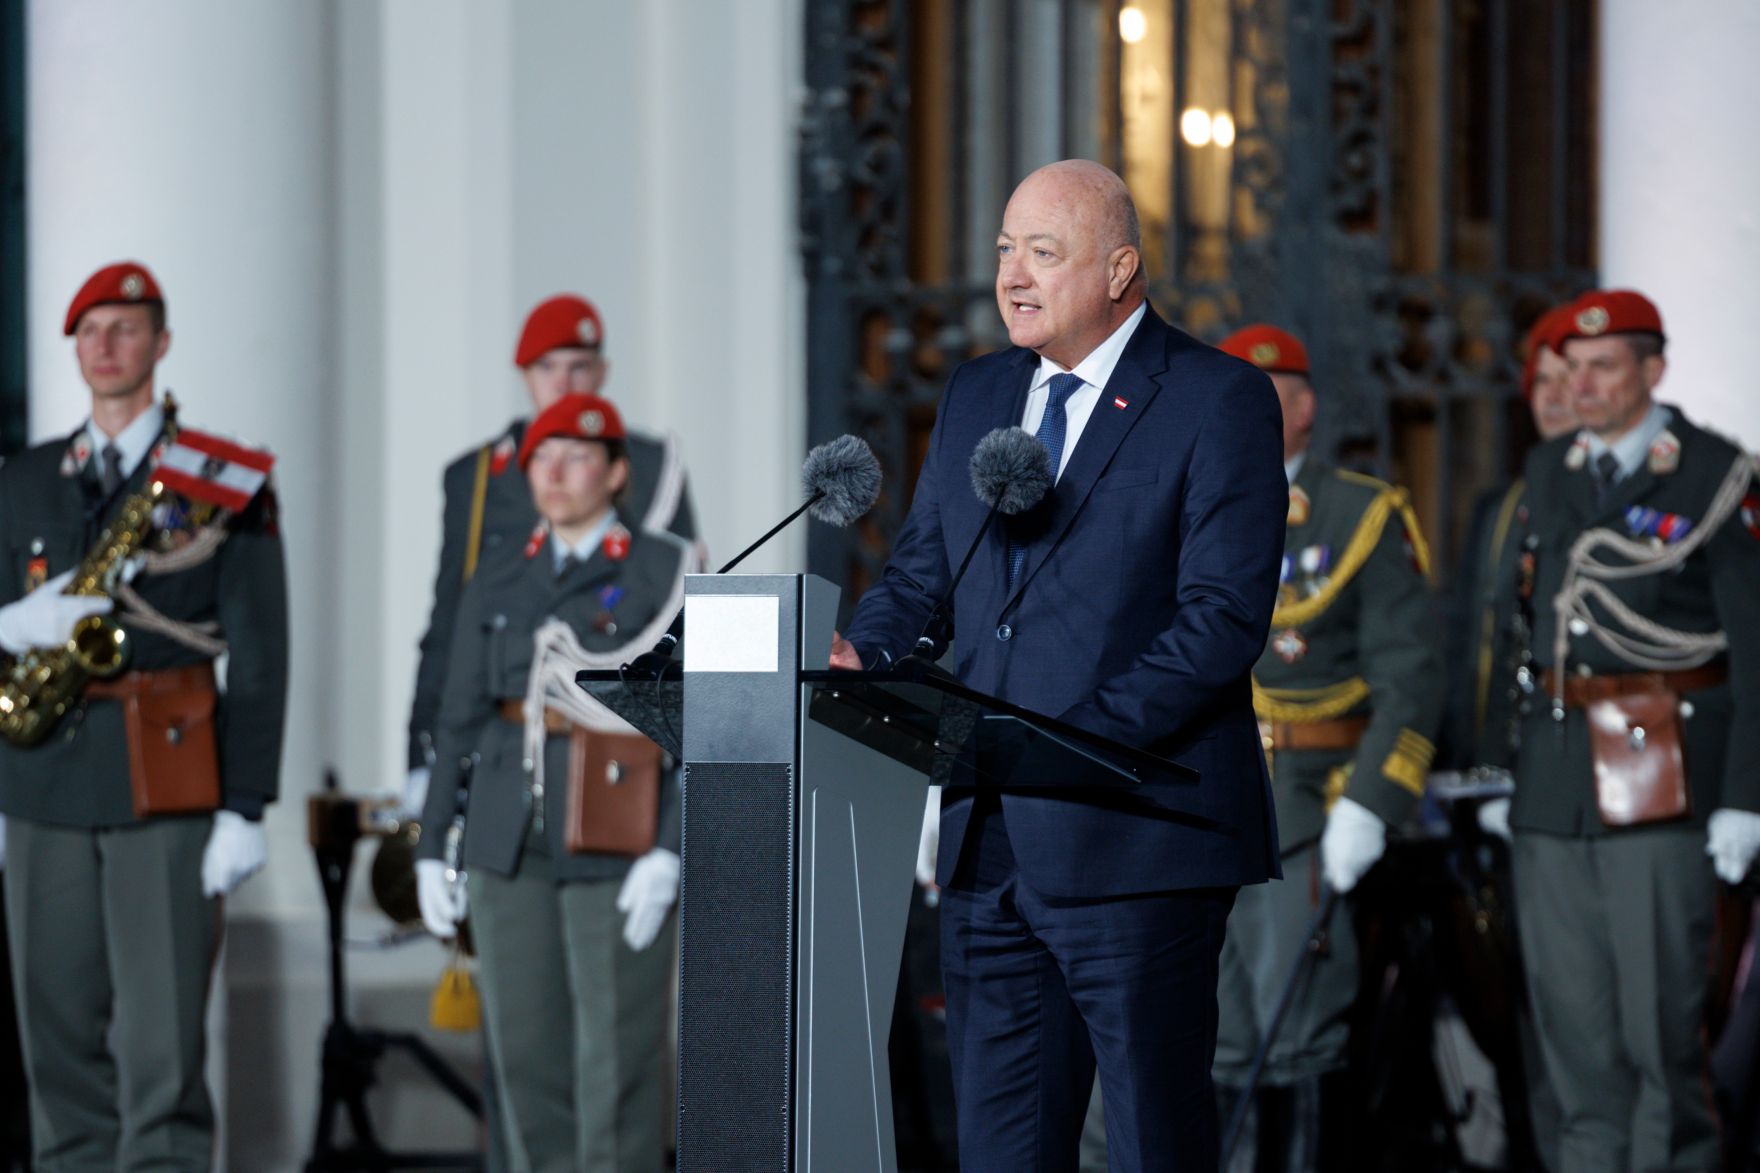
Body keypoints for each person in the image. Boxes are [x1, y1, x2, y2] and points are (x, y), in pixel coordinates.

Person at [833, 159, 1287, 1171]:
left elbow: (1218, 622)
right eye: (1003, 250)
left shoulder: (1214, 399)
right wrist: (860, 652)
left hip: (1135, 843)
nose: (1012, 275)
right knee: (999, 1148)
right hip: (989, 845)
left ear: (1119, 268)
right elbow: (922, 573)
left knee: (1148, 1143)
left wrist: (1069, 743)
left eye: (1044, 252)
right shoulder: (980, 392)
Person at [0, 260, 288, 1168]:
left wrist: (245, 804)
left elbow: (263, 651)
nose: (106, 345)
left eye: (126, 328)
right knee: (56, 1044)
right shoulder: (29, 475)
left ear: (160, 344)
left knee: (164, 1057)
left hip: (167, 781)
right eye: (90, 331)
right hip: (42, 779)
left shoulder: (221, 477)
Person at [1507, 288, 1760, 1172]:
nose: (1581, 384)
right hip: (1553, 781)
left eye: (1603, 366)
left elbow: (1757, 647)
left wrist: (1747, 798)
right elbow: (1526, 623)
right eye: (1571, 368)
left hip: (1666, 773)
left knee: (1662, 1046)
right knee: (1576, 1044)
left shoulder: (1714, 474)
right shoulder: (1551, 470)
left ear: (1654, 369)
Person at [413, 392, 688, 1171]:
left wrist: (671, 849)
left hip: (617, 831)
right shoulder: (501, 570)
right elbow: (459, 716)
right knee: (525, 1065)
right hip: (508, 832)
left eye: (577, 455)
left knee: (617, 1066)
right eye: (541, 456)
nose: (556, 471)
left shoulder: (663, 567)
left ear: (617, 473)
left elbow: (700, 721)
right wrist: (435, 844)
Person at [1204, 324, 1441, 1168]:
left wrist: (1373, 802)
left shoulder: (1359, 513)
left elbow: (1411, 677)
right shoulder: (1180, 500)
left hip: (1303, 805)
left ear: (1305, 410)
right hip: (1195, 803)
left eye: (1271, 399)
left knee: (1294, 1031)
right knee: (1220, 1036)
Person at [405, 293, 698, 813]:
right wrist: (421, 753)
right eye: (547, 367)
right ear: (524, 374)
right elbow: (449, 624)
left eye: (579, 366)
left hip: (615, 747)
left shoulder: (651, 467)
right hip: (505, 741)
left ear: (602, 372)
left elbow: (681, 617)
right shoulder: (476, 478)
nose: (563, 384)